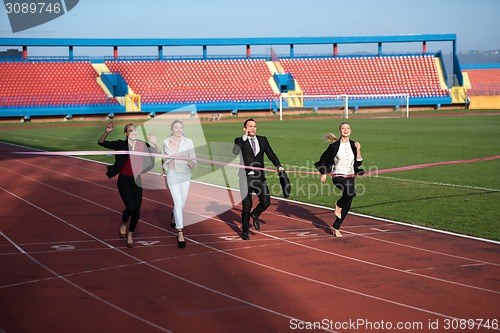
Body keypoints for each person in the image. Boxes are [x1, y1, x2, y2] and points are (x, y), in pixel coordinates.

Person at [98, 122, 159, 248]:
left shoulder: (142, 144)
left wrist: (155, 143)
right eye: (131, 130)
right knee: (130, 208)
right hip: (124, 181)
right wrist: (107, 132)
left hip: (137, 180)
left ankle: (130, 234)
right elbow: (101, 142)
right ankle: (124, 222)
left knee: (137, 211)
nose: (134, 132)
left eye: (135, 130)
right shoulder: (121, 144)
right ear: (126, 134)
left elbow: (157, 152)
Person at [233, 118, 284, 240]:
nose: (253, 128)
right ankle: (245, 231)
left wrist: (279, 166)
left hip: (259, 177)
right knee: (247, 205)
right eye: (250, 126)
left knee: (266, 202)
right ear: (245, 129)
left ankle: (255, 214)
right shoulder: (240, 140)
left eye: (254, 126)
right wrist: (244, 137)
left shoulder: (263, 140)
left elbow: (271, 154)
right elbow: (235, 152)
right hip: (245, 178)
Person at [315, 122, 363, 238]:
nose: (345, 130)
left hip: (350, 176)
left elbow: (359, 162)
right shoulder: (334, 146)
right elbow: (323, 159)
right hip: (338, 176)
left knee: (348, 204)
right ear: (340, 131)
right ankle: (338, 204)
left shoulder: (354, 145)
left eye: (347, 128)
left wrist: (358, 150)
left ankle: (336, 227)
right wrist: (323, 173)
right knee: (351, 192)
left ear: (350, 130)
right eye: (343, 128)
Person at [162, 120, 197, 248]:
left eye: (181, 127)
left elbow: (193, 157)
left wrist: (193, 164)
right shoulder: (166, 142)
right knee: (178, 203)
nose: (179, 130)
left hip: (185, 174)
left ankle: (174, 214)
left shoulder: (188, 142)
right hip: (172, 175)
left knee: (182, 204)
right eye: (176, 127)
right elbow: (164, 157)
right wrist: (164, 168)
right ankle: (180, 232)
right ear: (172, 129)